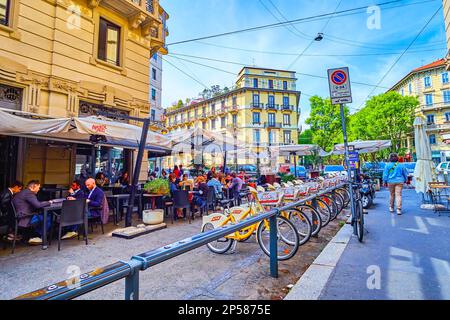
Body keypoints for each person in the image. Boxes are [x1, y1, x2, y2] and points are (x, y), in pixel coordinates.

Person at [12, 180, 54, 245]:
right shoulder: (29, 193)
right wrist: (49, 202)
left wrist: (42, 203)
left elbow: (35, 204)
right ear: (34, 186)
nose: (39, 189)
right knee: (48, 217)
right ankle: (37, 236)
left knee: (42, 215)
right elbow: (37, 205)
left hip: (20, 216)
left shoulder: (24, 192)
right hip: (25, 218)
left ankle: (35, 235)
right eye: (38, 187)